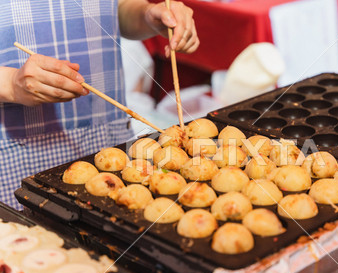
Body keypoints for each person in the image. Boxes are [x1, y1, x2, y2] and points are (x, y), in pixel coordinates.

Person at [0, 0, 199, 209]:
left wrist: (146, 15)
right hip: (16, 152)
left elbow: (114, 9)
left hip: (105, 138)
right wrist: (10, 84)